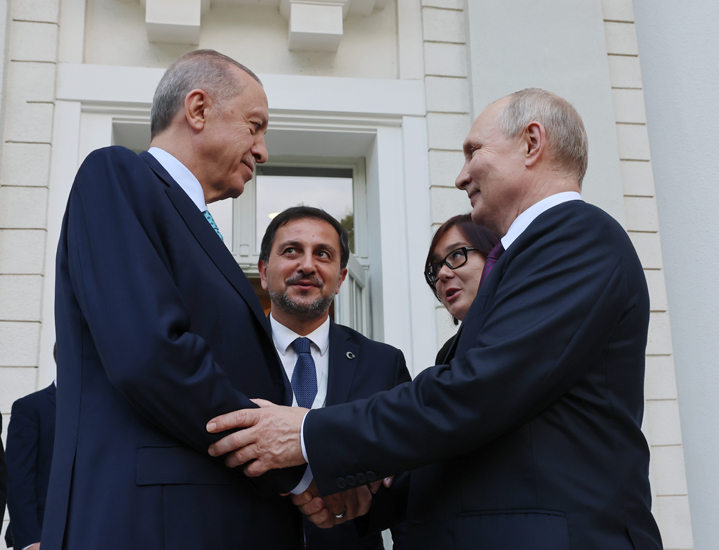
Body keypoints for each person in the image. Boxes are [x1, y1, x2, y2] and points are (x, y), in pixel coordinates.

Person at [207, 88, 664, 550]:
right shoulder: (532, 255)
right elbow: (474, 437)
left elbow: (477, 393)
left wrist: (308, 432)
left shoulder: (575, 237)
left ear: (532, 143)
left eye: (473, 152)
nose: (461, 177)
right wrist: (370, 496)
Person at [43, 49, 308, 550]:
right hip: (153, 525)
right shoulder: (117, 175)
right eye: (254, 126)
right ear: (198, 109)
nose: (263, 150)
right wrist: (289, 463)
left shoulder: (197, 227)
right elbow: (151, 354)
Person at [258, 206, 409, 550]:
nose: (307, 265)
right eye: (291, 250)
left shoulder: (384, 363)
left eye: (323, 254)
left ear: (340, 279)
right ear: (264, 272)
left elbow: (406, 483)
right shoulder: (227, 355)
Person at [424, 214, 499, 363]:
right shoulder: (446, 355)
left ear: (493, 255)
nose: (442, 273)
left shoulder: (524, 326)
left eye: (457, 254)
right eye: (437, 266)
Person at [5, 345, 58, 550]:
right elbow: (18, 478)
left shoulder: (108, 409)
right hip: (43, 535)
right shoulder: (30, 407)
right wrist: (30, 542)